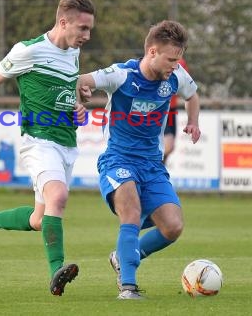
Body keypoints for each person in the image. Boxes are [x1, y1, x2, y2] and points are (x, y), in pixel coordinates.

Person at [0, 0, 96, 296]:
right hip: (38, 140)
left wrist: (79, 103)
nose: (87, 36)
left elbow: (69, 86)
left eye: (89, 30)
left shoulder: (73, 54)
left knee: (39, 219)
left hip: (66, 143)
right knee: (58, 196)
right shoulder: (28, 50)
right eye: (82, 29)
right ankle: (56, 271)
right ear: (63, 22)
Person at [77, 20, 201, 299]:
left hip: (152, 166)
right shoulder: (122, 74)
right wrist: (81, 96)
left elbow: (192, 96)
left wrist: (193, 121)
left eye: (178, 59)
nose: (175, 65)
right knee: (131, 213)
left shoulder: (176, 76)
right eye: (171, 59)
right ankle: (128, 287)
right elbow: (82, 80)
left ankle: (124, 256)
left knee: (173, 226)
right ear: (153, 52)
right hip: (118, 160)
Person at [162, 58, 189, 165]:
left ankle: (157, 172)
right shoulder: (159, 58)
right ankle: (152, 172)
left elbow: (186, 84)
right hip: (160, 107)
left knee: (170, 147)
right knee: (167, 144)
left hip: (171, 108)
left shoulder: (181, 62)